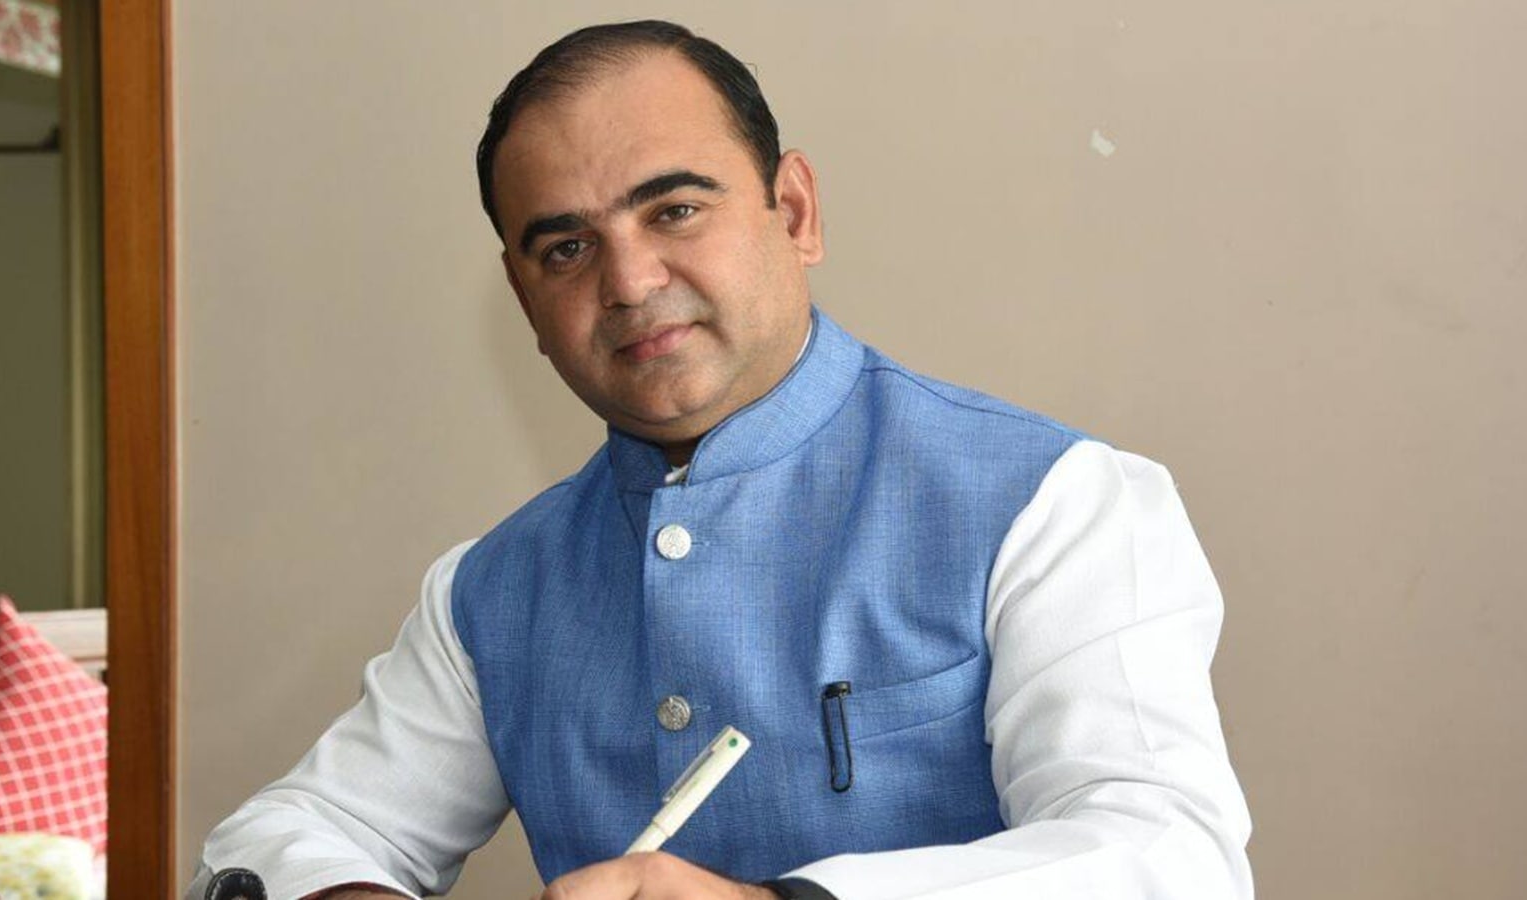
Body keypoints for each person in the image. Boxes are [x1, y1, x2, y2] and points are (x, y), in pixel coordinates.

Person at [188, 20, 1253, 900]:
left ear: (794, 212)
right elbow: (288, 836)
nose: (629, 281)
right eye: (566, 248)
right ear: (525, 299)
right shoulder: (490, 590)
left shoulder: (1053, 502)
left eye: (676, 209)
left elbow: (1167, 856)